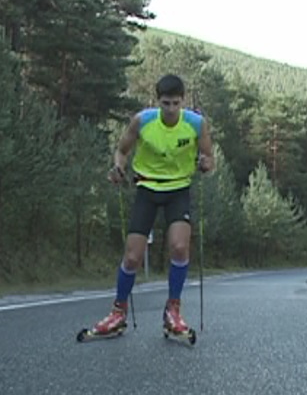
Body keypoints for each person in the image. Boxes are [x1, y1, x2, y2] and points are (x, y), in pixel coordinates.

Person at [89, 74, 216, 337]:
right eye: (166, 103)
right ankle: (118, 312)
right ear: (158, 101)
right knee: (132, 256)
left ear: (183, 101)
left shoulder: (195, 124)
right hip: (147, 188)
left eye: (176, 103)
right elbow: (122, 150)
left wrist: (205, 164)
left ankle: (173, 310)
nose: (170, 110)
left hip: (178, 188)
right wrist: (118, 167)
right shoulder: (143, 121)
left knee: (180, 247)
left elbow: (208, 156)